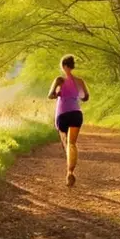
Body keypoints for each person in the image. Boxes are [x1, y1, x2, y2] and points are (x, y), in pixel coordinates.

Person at [47, 55, 89, 187]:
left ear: (64, 66)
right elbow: (85, 97)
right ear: (72, 66)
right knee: (72, 144)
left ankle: (69, 172)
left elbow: (50, 95)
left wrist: (59, 94)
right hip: (76, 114)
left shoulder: (59, 80)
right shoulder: (80, 81)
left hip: (62, 114)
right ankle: (70, 172)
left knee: (66, 143)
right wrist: (75, 95)